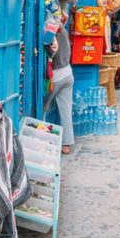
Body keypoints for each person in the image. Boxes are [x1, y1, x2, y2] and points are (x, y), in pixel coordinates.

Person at [44, 8, 75, 154]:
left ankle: (43, 140)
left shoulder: (50, 32)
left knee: (42, 107)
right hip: (68, 73)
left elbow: (51, 51)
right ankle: (66, 145)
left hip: (55, 76)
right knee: (65, 110)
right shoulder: (64, 31)